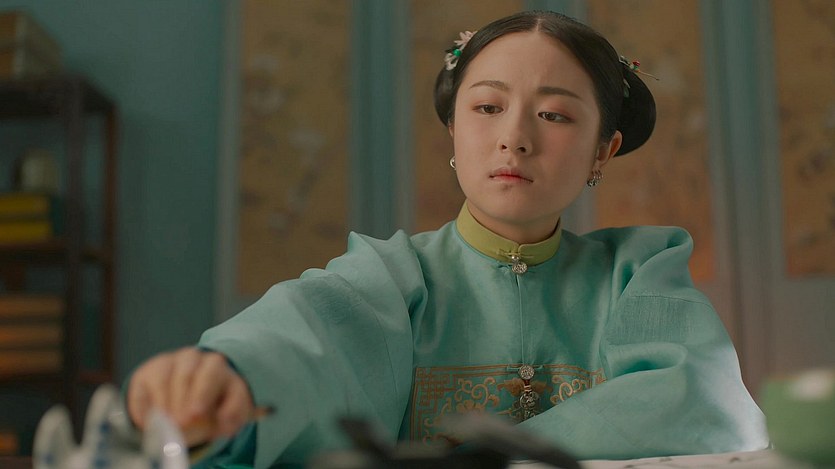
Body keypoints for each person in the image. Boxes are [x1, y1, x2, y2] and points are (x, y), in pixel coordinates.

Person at [127, 10, 769, 468]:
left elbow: (704, 402)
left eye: (553, 114)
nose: (514, 137)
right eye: (487, 108)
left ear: (604, 149)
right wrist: (227, 378)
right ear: (454, 132)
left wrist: (494, 454)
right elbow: (300, 344)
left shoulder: (637, 273)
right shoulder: (391, 276)